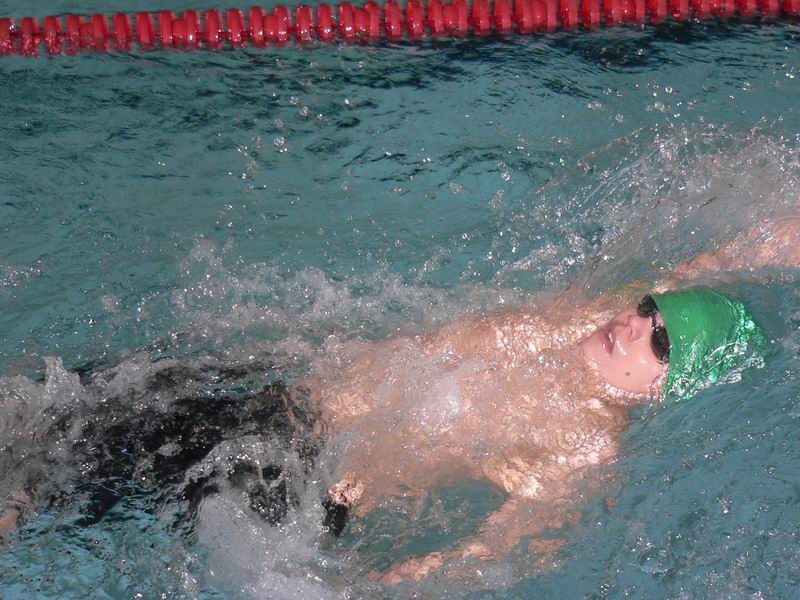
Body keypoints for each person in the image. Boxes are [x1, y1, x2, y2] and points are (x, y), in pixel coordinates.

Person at [307, 214, 800, 584]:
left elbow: (497, 548)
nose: (634, 324)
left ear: (663, 388)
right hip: (308, 392)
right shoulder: (594, 318)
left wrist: (395, 579)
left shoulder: (587, 446)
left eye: (660, 340)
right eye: (648, 309)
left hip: (326, 483)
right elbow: (722, 258)